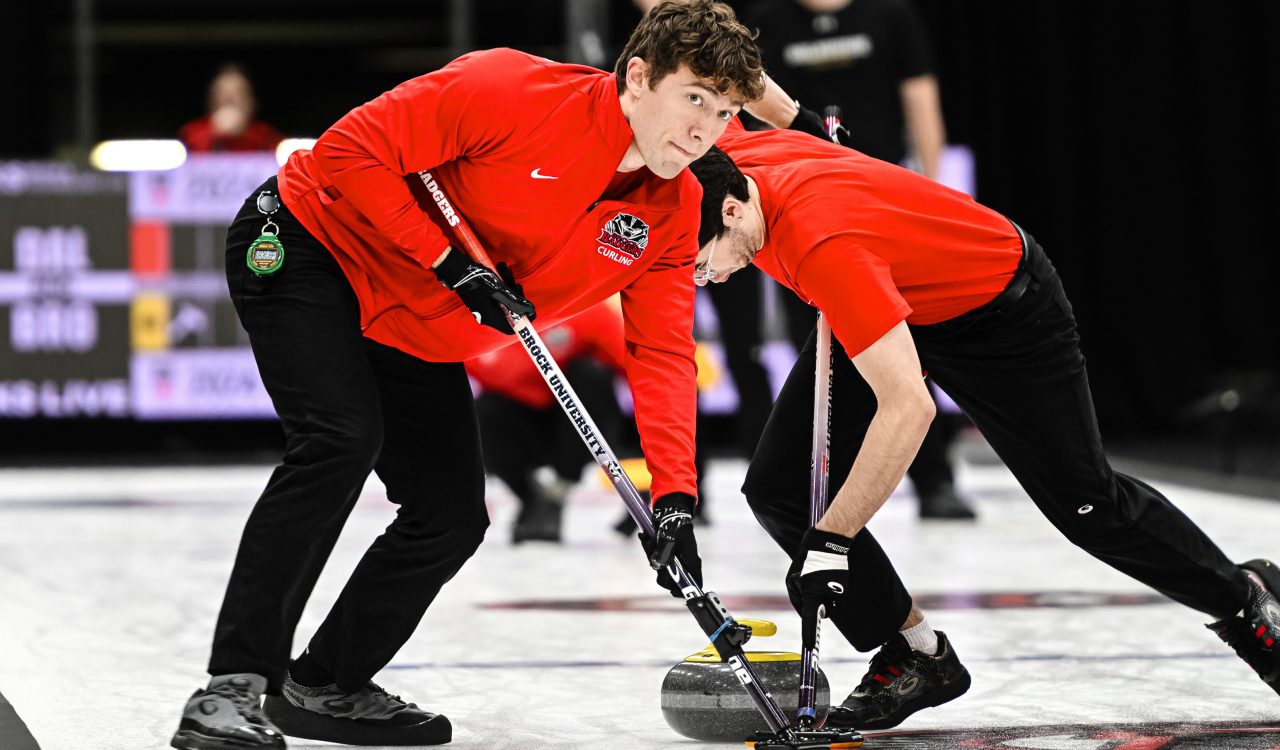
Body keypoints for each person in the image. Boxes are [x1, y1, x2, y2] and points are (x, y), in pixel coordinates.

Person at [168, 3, 763, 748]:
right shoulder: (509, 88)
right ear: (637, 78)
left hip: (415, 318)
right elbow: (349, 152)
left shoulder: (673, 208)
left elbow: (663, 353)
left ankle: (324, 683)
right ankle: (230, 688)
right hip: (312, 243)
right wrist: (449, 262)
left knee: (451, 512)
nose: (706, 127)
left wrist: (673, 497)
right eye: (695, 98)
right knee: (339, 441)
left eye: (728, 110)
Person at [686, 124, 1280, 730]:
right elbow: (726, 74)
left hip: (999, 311)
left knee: (1087, 506)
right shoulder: (720, 155)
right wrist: (792, 108)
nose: (709, 278)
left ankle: (1246, 600)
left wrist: (834, 541)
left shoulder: (824, 248)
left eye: (704, 262)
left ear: (732, 209)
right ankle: (917, 655)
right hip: (895, 292)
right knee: (781, 487)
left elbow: (908, 409)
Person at [740, 0, 976, 520]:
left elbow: (920, 97)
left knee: (908, 344)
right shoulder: (767, 19)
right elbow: (747, 98)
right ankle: (827, 490)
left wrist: (934, 187)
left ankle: (935, 478)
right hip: (800, 215)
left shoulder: (890, 15)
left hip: (880, 204)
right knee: (822, 353)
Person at [467, 300, 635, 543]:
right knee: (482, 412)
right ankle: (533, 497)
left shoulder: (583, 306)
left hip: (581, 430)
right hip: (524, 427)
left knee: (589, 374)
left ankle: (559, 487)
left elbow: (639, 372)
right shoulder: (470, 324)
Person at [178, 64, 285, 153]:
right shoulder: (192, 132)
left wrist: (241, 135)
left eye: (238, 93)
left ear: (251, 101)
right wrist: (216, 133)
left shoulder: (266, 134)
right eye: (223, 93)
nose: (230, 99)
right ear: (211, 100)